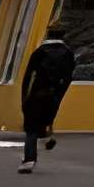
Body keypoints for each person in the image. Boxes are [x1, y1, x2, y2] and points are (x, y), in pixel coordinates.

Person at [17, 33, 74, 172]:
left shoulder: (39, 52)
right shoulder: (68, 53)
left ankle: (29, 160)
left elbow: (29, 76)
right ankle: (47, 138)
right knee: (46, 119)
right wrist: (59, 95)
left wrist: (24, 98)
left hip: (37, 93)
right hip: (53, 94)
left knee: (31, 128)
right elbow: (68, 78)